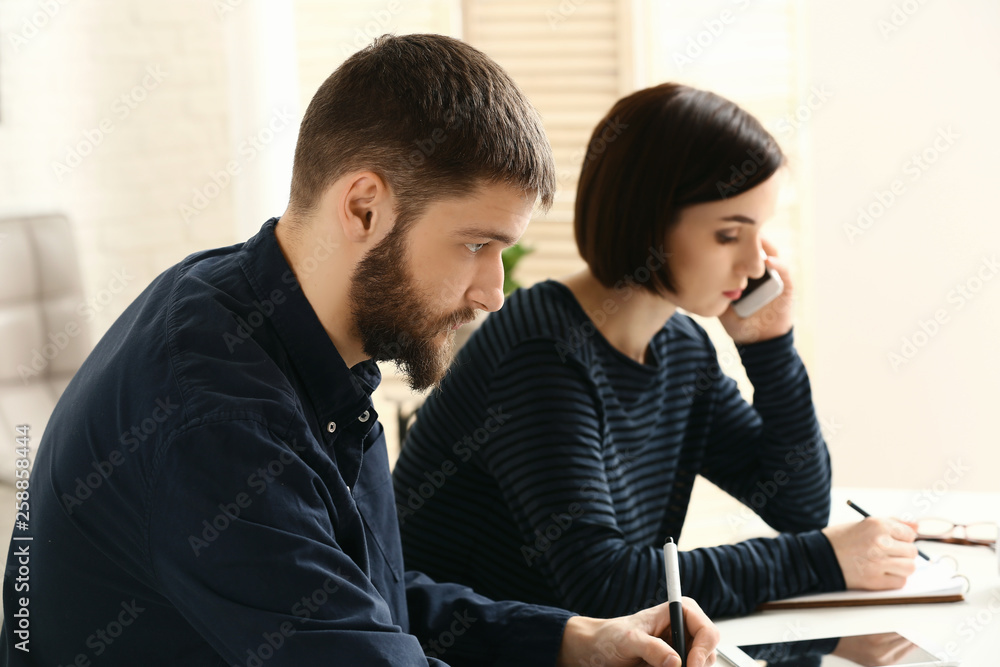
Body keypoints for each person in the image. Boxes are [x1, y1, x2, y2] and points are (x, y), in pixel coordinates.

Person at [0, 36, 719, 667]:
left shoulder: (273, 314)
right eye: (476, 245)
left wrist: (574, 639)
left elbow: (355, 592)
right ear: (363, 207)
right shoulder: (216, 419)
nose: (493, 292)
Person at [392, 82, 921, 620]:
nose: (756, 264)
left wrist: (770, 346)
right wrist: (824, 559)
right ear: (648, 220)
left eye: (760, 232)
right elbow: (605, 586)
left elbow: (797, 505)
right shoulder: (541, 353)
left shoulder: (679, 347)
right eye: (727, 235)